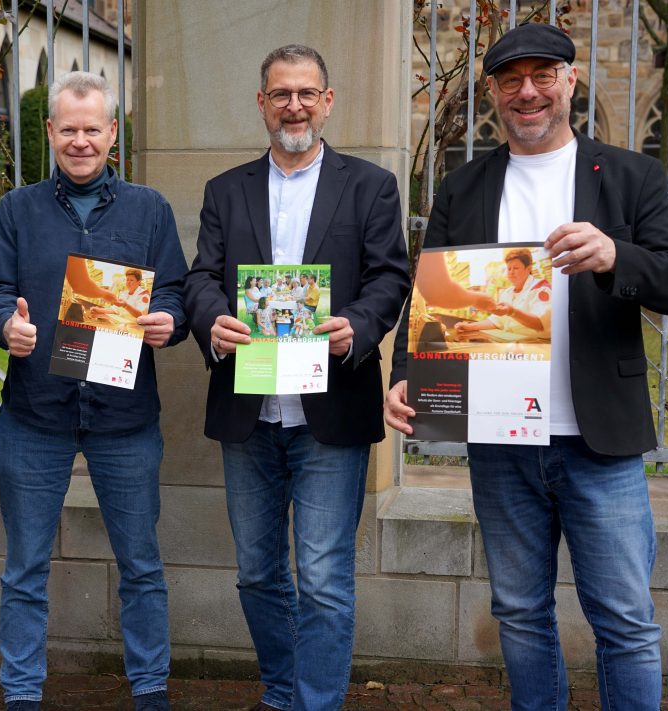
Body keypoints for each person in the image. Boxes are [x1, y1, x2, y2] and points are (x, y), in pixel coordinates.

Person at [384, 23, 668, 711]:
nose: (526, 92)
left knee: (624, 620)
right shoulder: (463, 186)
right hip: (501, 442)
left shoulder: (629, 176)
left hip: (600, 441)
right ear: (494, 94)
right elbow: (429, 298)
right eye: (510, 81)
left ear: (568, 80)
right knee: (521, 613)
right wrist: (405, 374)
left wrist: (618, 255)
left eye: (541, 76)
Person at [184, 44, 410, 711]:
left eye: (307, 93)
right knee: (256, 574)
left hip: (329, 410)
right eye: (281, 93)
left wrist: (359, 327)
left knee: (323, 577)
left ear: (328, 101)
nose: (294, 105)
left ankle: (314, 701)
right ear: (261, 103)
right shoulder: (226, 190)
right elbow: (200, 276)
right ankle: (283, 692)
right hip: (249, 412)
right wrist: (214, 320)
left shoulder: (369, 185)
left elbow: (391, 276)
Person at [0, 71, 187, 711]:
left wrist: (168, 321)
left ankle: (149, 689)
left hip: (124, 419)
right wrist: (3, 326)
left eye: (92, 129)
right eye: (68, 129)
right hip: (34, 415)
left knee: (142, 567)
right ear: (50, 132)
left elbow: (175, 290)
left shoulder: (150, 210)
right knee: (24, 570)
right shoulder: (17, 209)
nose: (80, 141)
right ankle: (20, 693)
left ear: (112, 133)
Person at [454, 247, 550, 338]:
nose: (511, 272)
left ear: (528, 269)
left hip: (537, 346)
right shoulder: (507, 292)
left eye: (516, 268)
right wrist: (470, 327)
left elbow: (540, 324)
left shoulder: (541, 289)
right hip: (512, 343)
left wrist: (512, 312)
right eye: (509, 268)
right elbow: (496, 321)